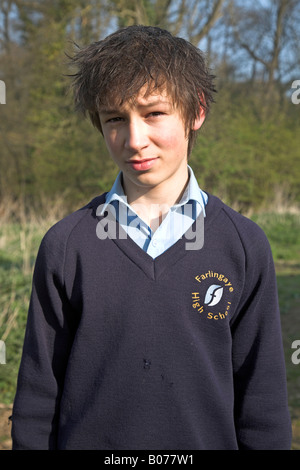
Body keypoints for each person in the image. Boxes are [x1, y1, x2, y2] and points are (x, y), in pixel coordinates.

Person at [11, 25, 291, 450]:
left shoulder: (244, 245)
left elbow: (263, 402)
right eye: (115, 119)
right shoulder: (66, 246)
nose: (135, 139)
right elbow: (37, 399)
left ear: (196, 111)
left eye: (153, 113)